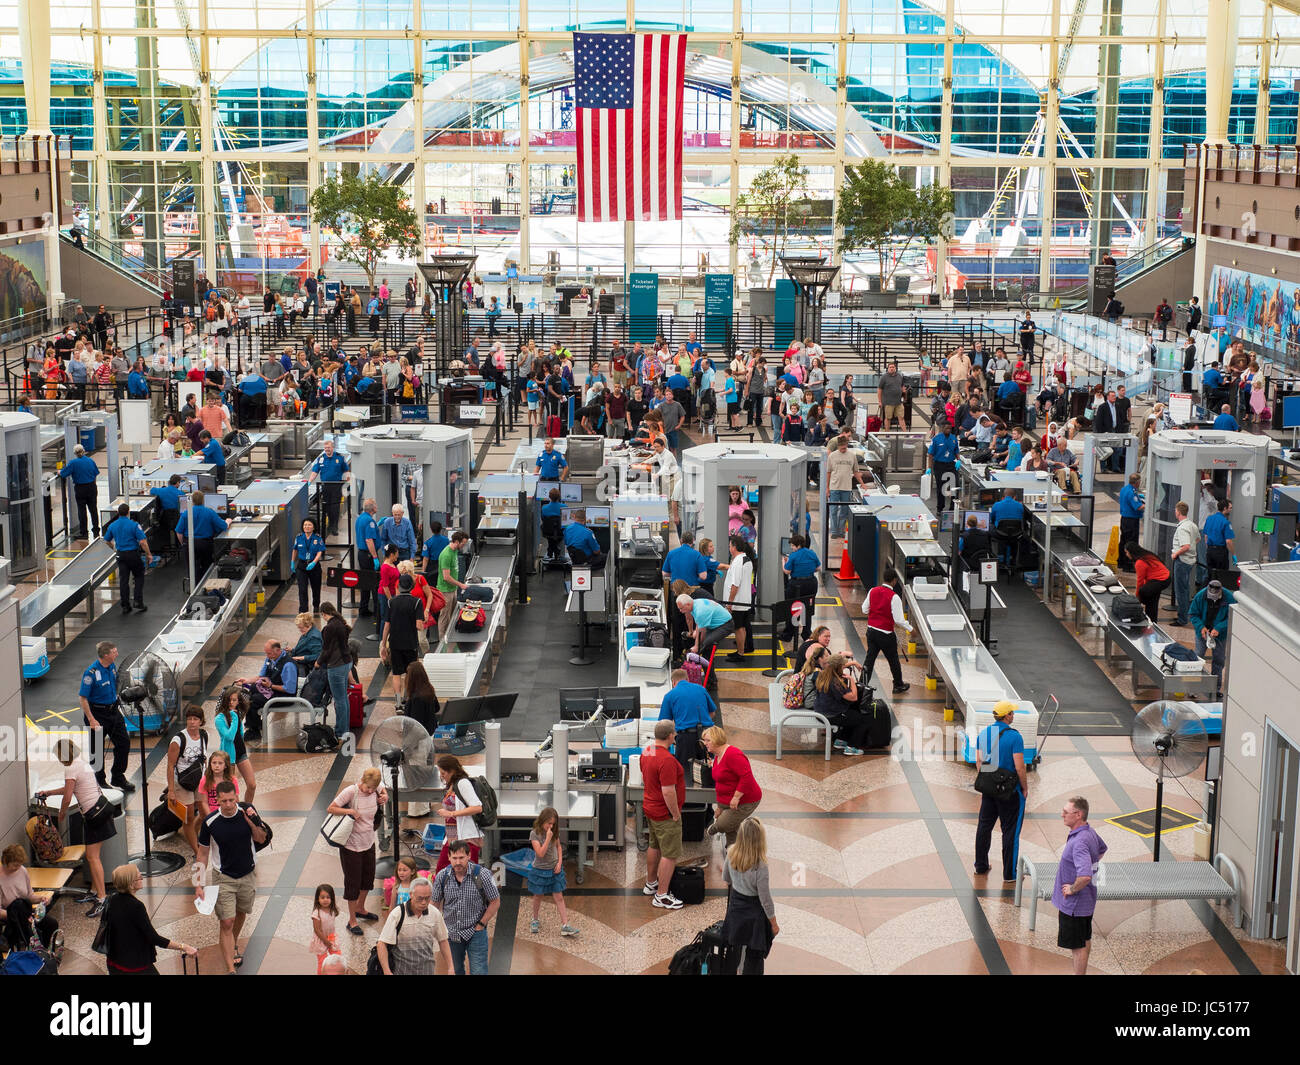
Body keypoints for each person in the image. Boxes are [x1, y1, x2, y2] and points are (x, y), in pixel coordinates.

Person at [195, 781, 268, 973]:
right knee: (227, 921)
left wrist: (250, 821)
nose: (228, 804)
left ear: (236, 796)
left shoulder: (248, 812)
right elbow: (202, 854)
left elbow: (261, 838)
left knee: (242, 913)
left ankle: (232, 943)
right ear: (217, 800)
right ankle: (230, 969)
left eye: (231, 800)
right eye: (223, 801)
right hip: (223, 876)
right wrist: (198, 884)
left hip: (248, 873)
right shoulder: (210, 822)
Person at [36, 738, 114, 916]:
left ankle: (102, 898)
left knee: (93, 858)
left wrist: (62, 813)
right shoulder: (81, 763)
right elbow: (69, 787)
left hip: (94, 814)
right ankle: (95, 892)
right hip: (100, 809)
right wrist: (49, 792)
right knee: (93, 856)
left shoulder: (70, 767)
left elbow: (68, 796)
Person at [101, 864, 197, 974]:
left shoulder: (111, 899)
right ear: (131, 884)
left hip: (114, 962)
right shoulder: (136, 906)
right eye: (139, 876)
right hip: (134, 966)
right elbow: (153, 937)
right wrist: (183, 947)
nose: (142, 878)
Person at [326, 767, 388, 937]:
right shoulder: (350, 791)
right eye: (367, 787)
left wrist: (384, 794)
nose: (369, 791)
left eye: (372, 789)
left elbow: (382, 786)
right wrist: (350, 811)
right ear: (362, 780)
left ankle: (361, 907)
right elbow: (331, 808)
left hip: (368, 842)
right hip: (351, 846)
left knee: (368, 878)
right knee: (353, 883)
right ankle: (352, 919)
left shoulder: (376, 787)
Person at [973, 701, 1028, 884]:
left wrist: (988, 783)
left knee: (984, 827)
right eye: (1012, 713)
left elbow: (979, 762)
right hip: (1009, 792)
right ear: (1007, 716)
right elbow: (1020, 767)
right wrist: (1025, 788)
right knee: (1010, 831)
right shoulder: (1015, 737)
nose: (1014, 715)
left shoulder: (983, 733)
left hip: (989, 790)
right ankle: (1010, 874)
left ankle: (980, 865)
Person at [1053, 796, 1108, 975]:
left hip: (1074, 905)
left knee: (1078, 947)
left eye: (1066, 812)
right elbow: (1102, 849)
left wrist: (1072, 888)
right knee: (1084, 939)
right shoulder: (1089, 832)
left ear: (1078, 815)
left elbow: (1084, 876)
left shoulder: (1079, 842)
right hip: (1086, 902)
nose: (1062, 815)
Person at [430, 839, 500, 975]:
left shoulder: (483, 874)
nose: (457, 862)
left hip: (476, 933)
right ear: (448, 857)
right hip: (451, 934)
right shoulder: (442, 876)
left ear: (469, 856)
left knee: (479, 971)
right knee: (455, 971)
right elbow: (434, 904)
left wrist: (481, 924)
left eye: (461, 858)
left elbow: (495, 901)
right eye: (454, 858)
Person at [719, 818, 778, 975]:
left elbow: (726, 878)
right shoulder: (761, 865)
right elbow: (765, 899)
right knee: (755, 957)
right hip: (754, 915)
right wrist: (774, 923)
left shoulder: (731, 852)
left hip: (736, 908)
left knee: (733, 951)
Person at [641, 720, 686, 909]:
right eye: (674, 733)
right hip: (664, 812)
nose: (675, 736)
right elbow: (668, 791)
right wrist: (675, 814)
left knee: (654, 844)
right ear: (670, 736)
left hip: (650, 807)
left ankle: (651, 883)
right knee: (670, 853)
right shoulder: (667, 760)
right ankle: (662, 895)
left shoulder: (647, 751)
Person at [78, 641, 133, 793]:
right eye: (114, 652)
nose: (117, 654)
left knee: (124, 743)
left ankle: (118, 776)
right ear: (106, 655)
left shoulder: (112, 667)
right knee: (97, 751)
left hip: (113, 711)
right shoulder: (91, 673)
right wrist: (91, 719)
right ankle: (99, 780)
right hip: (97, 714)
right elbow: (83, 698)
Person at [376, 876, 454, 975]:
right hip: (401, 971)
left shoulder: (434, 913)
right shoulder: (398, 914)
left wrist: (451, 967)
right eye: (420, 898)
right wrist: (387, 971)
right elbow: (381, 944)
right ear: (411, 894)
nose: (424, 902)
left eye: (427, 898)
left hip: (427, 971)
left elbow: (443, 940)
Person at [701, 726, 762, 846]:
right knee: (731, 828)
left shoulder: (733, 754)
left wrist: (736, 797)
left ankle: (715, 829)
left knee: (724, 824)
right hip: (728, 801)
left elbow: (747, 777)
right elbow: (720, 782)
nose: (705, 743)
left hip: (746, 800)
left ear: (717, 739)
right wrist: (720, 807)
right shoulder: (718, 755)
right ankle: (732, 851)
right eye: (704, 740)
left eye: (708, 740)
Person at [526, 807, 578, 937]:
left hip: (554, 869)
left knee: (559, 897)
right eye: (549, 823)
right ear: (542, 820)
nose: (551, 826)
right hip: (540, 870)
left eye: (553, 824)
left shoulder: (553, 832)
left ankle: (565, 925)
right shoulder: (534, 834)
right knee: (538, 896)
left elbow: (559, 847)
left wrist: (560, 863)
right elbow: (540, 853)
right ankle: (535, 919)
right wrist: (548, 838)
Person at [166, 705, 209, 857]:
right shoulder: (178, 740)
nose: (192, 722)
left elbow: (203, 760)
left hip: (199, 780)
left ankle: (195, 835)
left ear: (201, 721)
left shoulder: (204, 735)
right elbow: (170, 766)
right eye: (189, 719)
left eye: (195, 719)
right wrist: (171, 790)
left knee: (205, 813)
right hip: (183, 783)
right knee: (188, 817)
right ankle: (197, 851)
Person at [863, 568, 913, 694]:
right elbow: (899, 620)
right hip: (886, 634)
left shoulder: (873, 591)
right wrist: (911, 629)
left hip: (871, 632)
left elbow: (864, 609)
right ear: (894, 580)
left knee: (869, 659)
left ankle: (862, 685)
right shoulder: (894, 597)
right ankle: (898, 685)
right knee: (893, 661)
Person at [0, 843, 58, 948]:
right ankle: (35, 953)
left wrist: (41, 899)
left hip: (26, 912)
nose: (18, 867)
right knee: (30, 931)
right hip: (11, 916)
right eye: (15, 865)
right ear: (5, 862)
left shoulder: (22, 870)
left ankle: (47, 952)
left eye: (19, 864)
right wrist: (18, 916)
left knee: (52, 924)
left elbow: (29, 896)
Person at [433, 754, 484, 871]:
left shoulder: (463, 783)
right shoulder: (452, 784)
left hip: (466, 839)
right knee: (444, 873)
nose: (442, 776)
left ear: (452, 771)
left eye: (443, 773)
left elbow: (477, 807)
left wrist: (450, 814)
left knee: (464, 874)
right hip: (453, 838)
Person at [103, 502, 154, 614]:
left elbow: (106, 540)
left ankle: (125, 605)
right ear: (128, 512)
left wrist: (114, 548)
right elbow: (143, 542)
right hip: (133, 554)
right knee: (139, 576)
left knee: (124, 580)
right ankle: (138, 602)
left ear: (118, 513)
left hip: (120, 555)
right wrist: (149, 554)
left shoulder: (112, 525)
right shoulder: (134, 525)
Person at [383, 573, 425, 707]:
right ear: (412, 587)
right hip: (410, 644)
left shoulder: (391, 602)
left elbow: (387, 625)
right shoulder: (417, 602)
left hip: (395, 643)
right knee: (410, 673)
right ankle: (409, 700)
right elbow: (419, 626)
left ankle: (398, 702)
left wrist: (383, 644)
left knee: (396, 674)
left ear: (399, 586)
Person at [214, 686, 257, 802]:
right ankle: (234, 814)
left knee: (252, 785)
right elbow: (229, 736)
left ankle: (248, 808)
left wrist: (236, 718)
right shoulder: (220, 718)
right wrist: (233, 717)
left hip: (241, 752)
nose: (232, 702)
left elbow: (239, 733)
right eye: (229, 700)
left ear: (238, 701)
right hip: (228, 757)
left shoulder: (237, 714)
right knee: (231, 791)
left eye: (234, 700)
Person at [175, 488, 228, 577]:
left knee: (192, 568)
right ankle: (206, 585)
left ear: (192, 501)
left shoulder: (186, 513)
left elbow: (179, 532)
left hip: (190, 543)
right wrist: (228, 521)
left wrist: (184, 544)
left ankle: (194, 586)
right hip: (205, 544)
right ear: (203, 500)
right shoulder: (209, 512)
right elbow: (223, 526)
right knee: (207, 567)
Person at [1190, 579, 1235, 677]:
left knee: (1219, 660)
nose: (1213, 599)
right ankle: (1193, 683)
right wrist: (1201, 627)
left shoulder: (1229, 598)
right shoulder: (1200, 596)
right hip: (1203, 632)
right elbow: (1193, 614)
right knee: (1198, 657)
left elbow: (1232, 617)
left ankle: (1216, 688)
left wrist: (1219, 628)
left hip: (1220, 635)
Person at [826, 435, 868, 539]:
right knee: (833, 510)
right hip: (834, 487)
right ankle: (834, 531)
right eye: (841, 448)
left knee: (844, 510)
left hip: (846, 487)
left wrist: (862, 484)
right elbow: (828, 472)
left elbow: (856, 471)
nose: (843, 450)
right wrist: (827, 488)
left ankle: (841, 531)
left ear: (846, 445)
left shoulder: (852, 456)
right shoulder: (832, 456)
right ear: (838, 446)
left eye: (845, 448)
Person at [722, 535, 756, 661]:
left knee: (738, 627)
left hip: (737, 602)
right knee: (743, 626)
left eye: (730, 545)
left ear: (734, 547)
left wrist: (729, 603)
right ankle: (741, 650)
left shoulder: (737, 562)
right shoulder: (746, 559)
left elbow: (735, 585)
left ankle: (740, 653)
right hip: (745, 600)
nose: (729, 548)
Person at [780, 534, 820, 643]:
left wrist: (784, 562)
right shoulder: (811, 553)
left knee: (793, 608)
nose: (792, 548)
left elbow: (787, 571)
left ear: (797, 546)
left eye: (792, 545)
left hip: (796, 584)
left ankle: (789, 633)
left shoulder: (793, 556)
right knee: (807, 608)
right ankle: (807, 633)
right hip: (811, 583)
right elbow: (818, 568)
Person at [308, 438, 351, 539]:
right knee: (327, 507)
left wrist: (348, 481)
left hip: (336, 486)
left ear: (333, 448)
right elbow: (315, 472)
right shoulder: (321, 459)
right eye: (325, 448)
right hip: (325, 486)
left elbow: (346, 471)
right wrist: (309, 482)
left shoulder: (340, 458)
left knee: (335, 507)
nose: (327, 449)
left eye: (328, 447)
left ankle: (334, 527)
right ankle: (330, 525)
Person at [59, 443, 101, 540]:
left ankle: (84, 532)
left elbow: (64, 474)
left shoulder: (73, 463)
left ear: (75, 453)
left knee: (82, 511)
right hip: (92, 487)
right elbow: (96, 474)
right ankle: (96, 531)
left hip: (80, 488)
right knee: (93, 509)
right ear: (84, 450)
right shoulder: (90, 461)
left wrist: (59, 472)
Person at [677, 593, 736, 660]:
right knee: (702, 646)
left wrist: (697, 646)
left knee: (706, 644)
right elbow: (699, 624)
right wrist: (696, 633)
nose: (680, 611)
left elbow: (702, 632)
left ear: (688, 604)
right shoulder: (694, 603)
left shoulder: (700, 611)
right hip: (715, 624)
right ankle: (701, 663)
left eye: (681, 608)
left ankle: (703, 664)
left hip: (725, 625)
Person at [1170, 501, 1199, 627]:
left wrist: (1176, 554)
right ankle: (1186, 613)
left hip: (1182, 561)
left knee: (1180, 590)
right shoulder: (1192, 525)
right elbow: (1197, 539)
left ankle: (1182, 618)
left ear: (1178, 512)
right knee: (1185, 589)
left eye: (1175, 510)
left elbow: (1186, 545)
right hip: (1190, 561)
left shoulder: (1182, 528)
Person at [437, 530, 470, 640]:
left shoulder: (455, 551)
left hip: (452, 589)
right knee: (444, 617)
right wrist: (461, 585)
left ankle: (450, 637)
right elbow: (446, 577)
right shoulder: (446, 554)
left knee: (452, 615)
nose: (463, 546)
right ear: (456, 541)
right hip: (445, 590)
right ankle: (443, 641)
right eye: (462, 543)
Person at [1126, 543, 1171, 623]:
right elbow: (1147, 577)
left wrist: (1137, 599)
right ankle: (1152, 622)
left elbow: (1140, 582)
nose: (1126, 555)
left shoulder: (1140, 563)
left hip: (1161, 579)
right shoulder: (1146, 556)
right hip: (1164, 577)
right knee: (1152, 600)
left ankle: (1151, 621)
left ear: (1131, 553)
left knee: (1144, 593)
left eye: (1127, 552)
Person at [291, 518, 326, 613]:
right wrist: (292, 562)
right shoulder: (299, 537)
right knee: (302, 588)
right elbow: (295, 550)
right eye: (305, 525)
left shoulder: (317, 538)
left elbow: (320, 551)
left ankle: (316, 605)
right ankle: (303, 609)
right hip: (302, 566)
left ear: (313, 527)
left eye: (309, 525)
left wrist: (314, 562)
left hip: (314, 566)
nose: (307, 527)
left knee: (316, 587)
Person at [354, 498, 381, 616]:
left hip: (361, 554)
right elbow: (369, 540)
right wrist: (375, 557)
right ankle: (377, 610)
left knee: (364, 581)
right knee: (375, 582)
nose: (377, 506)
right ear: (373, 508)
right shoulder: (369, 521)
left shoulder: (360, 518)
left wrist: (376, 526)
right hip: (369, 555)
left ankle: (363, 609)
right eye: (376, 504)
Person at [1117, 474, 1144, 572]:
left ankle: (1121, 561)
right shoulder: (1131, 492)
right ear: (1137, 482)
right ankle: (1128, 565)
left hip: (1124, 519)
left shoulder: (1124, 489)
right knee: (1131, 543)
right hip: (1131, 521)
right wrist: (1148, 504)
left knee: (1123, 540)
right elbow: (1138, 507)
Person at [1202, 498, 1235, 574]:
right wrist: (1233, 554)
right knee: (1221, 575)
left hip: (1210, 551)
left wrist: (1209, 549)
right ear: (1224, 508)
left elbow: (1206, 536)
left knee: (1211, 575)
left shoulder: (1209, 519)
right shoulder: (1226, 523)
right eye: (1230, 508)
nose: (1231, 510)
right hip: (1220, 553)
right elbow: (1228, 541)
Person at [878, 361, 906, 429]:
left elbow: (902, 386)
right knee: (888, 418)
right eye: (890, 367)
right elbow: (879, 389)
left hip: (898, 402)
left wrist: (903, 391)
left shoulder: (899, 376)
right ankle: (887, 434)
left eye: (893, 367)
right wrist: (880, 401)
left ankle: (905, 434)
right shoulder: (884, 377)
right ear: (888, 368)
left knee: (901, 417)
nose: (891, 368)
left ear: (895, 368)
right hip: (888, 402)